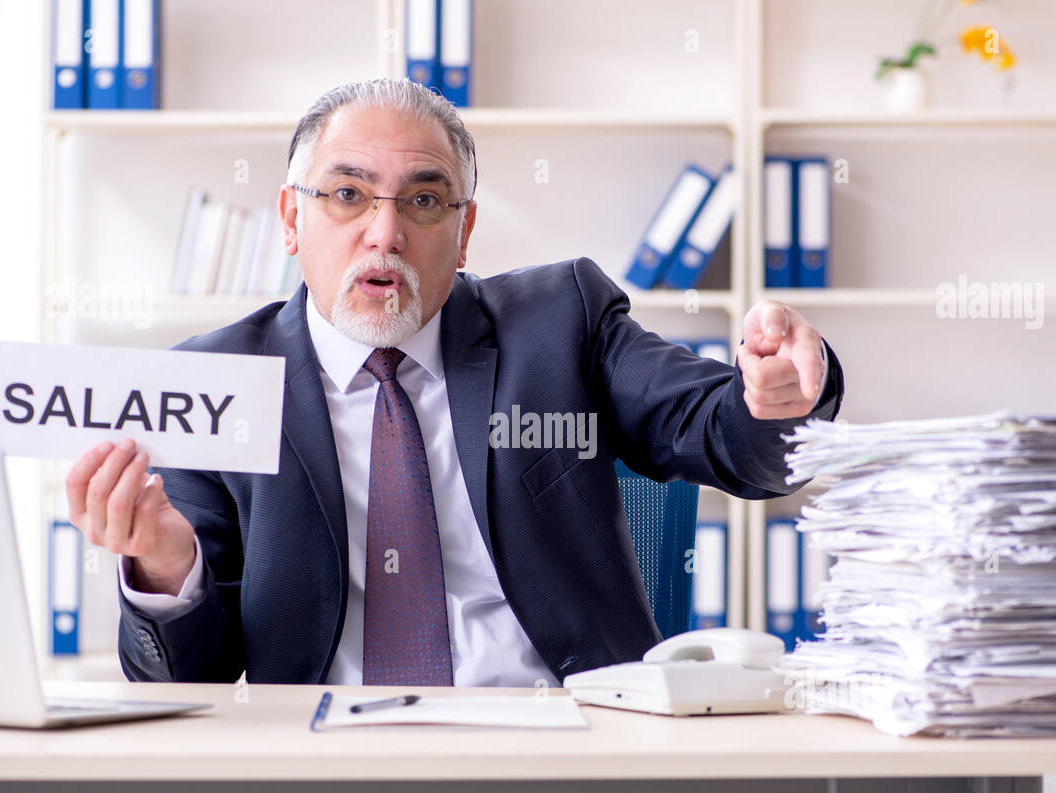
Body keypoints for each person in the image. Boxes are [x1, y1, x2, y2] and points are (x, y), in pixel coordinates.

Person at [65, 77, 845, 686]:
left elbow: (719, 432)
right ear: (291, 220)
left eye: (425, 200)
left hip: (565, 751)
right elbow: (187, 678)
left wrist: (777, 394)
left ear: (465, 231)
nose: (386, 231)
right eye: (346, 194)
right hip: (323, 766)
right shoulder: (213, 381)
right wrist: (167, 568)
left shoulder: (558, 321)